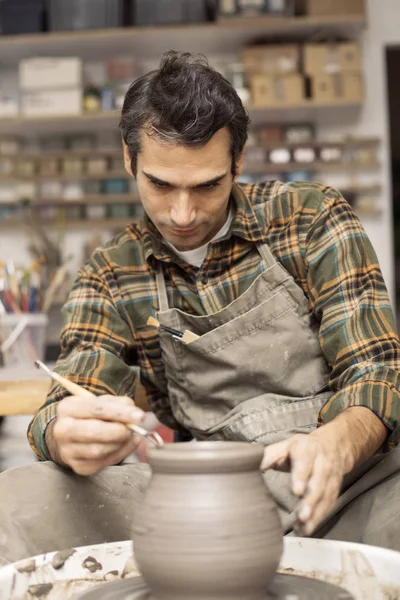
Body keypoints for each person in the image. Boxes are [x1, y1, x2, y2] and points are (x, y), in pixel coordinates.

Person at [0, 51, 399, 565]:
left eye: (207, 185)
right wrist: (61, 432)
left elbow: (377, 371)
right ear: (129, 161)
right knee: (16, 501)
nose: (182, 214)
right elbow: (66, 400)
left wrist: (338, 443)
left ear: (238, 161)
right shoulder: (110, 274)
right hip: (206, 503)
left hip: (348, 489)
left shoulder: (310, 218)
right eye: (160, 184)